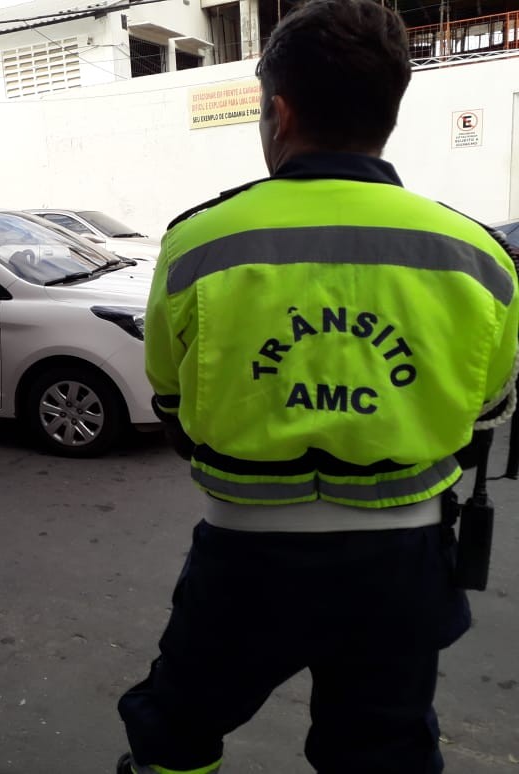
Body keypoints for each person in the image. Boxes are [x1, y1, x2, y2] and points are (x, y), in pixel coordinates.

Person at [115, 2, 519, 773]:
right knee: (384, 752)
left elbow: (170, 402)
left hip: (245, 556)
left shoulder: (198, 243)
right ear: (389, 114)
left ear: (280, 111)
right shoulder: (478, 255)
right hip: (402, 560)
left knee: (176, 729)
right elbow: (485, 411)